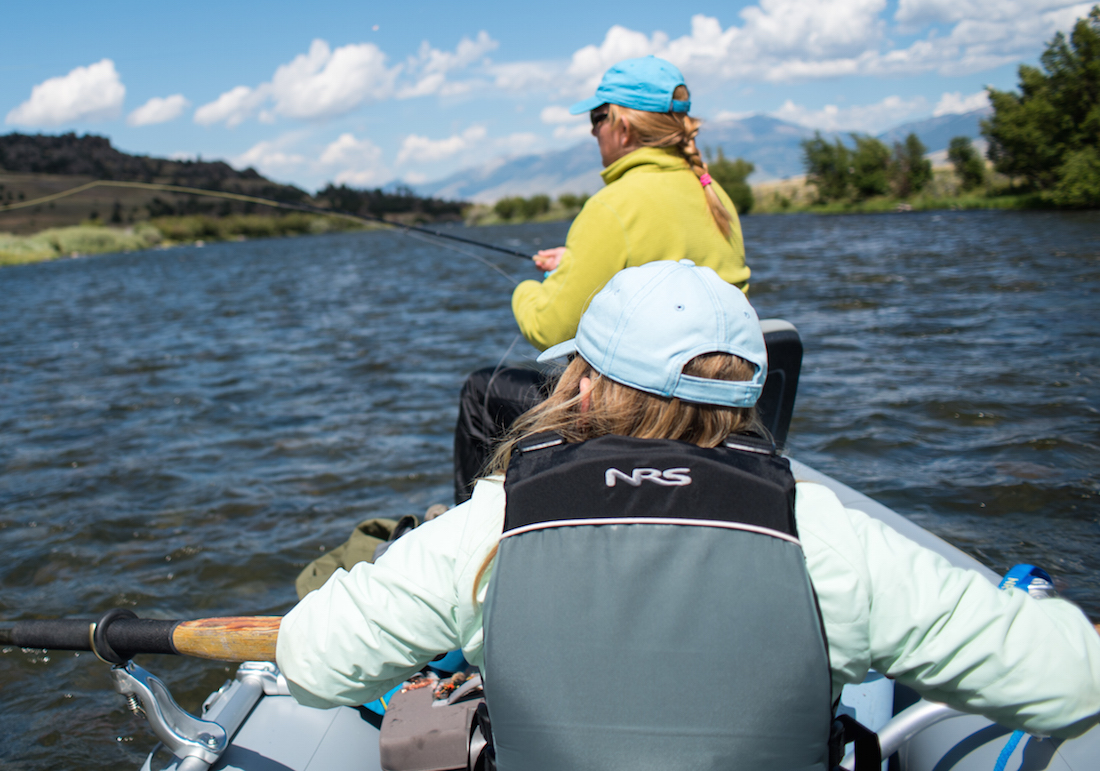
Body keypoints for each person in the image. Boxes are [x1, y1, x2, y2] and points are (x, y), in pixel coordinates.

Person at [280, 260, 1100, 769]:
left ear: (585, 386)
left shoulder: (490, 530)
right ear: (754, 395)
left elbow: (313, 664)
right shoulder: (827, 540)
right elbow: (1074, 681)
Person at [454, 55, 750, 503]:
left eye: (597, 118)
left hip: (642, 415)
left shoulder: (612, 207)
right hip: (713, 409)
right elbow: (671, 277)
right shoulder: (714, 194)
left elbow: (549, 329)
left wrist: (526, 290)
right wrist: (577, 263)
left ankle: (480, 535)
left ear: (623, 127)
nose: (593, 131)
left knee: (483, 390)